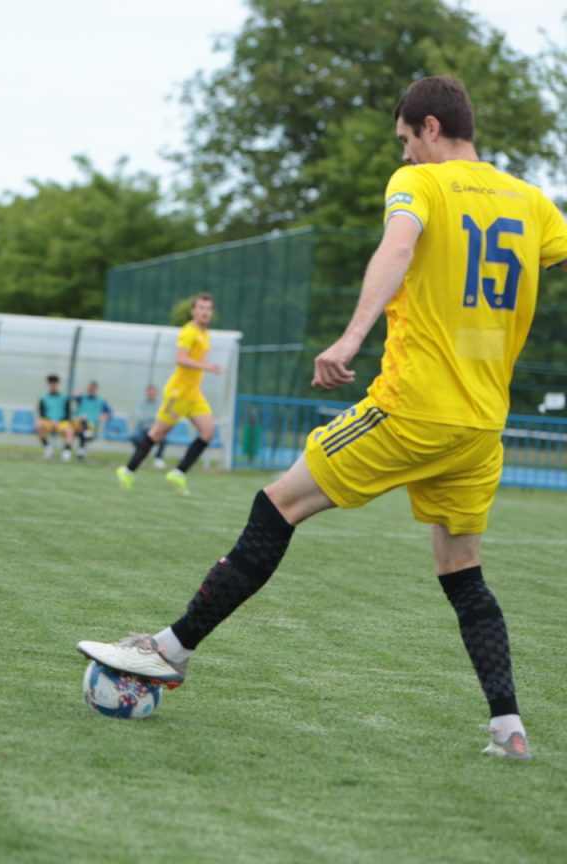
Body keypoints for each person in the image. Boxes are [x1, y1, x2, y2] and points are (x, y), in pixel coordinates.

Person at [79, 75, 567, 761]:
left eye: (405, 139)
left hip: (411, 408)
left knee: (278, 504)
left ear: (430, 127)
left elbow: (398, 248)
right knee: (463, 570)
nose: (403, 154)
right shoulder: (533, 202)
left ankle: (171, 649)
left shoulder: (421, 184)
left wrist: (349, 338)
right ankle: (508, 728)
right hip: (482, 426)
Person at [117, 294, 221, 493]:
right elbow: (180, 358)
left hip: (194, 394)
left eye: (208, 308)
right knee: (157, 433)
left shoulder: (205, 334)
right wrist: (207, 366)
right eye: (201, 308)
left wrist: (205, 367)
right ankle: (128, 470)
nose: (205, 312)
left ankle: (178, 473)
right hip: (178, 393)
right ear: (193, 311)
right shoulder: (189, 332)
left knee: (208, 433)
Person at [34, 374, 80, 462]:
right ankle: (48, 448)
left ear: (58, 384)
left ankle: (66, 453)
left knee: (69, 431)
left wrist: (59, 421)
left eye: (54, 383)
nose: (53, 385)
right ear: (48, 384)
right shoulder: (43, 398)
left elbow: (68, 413)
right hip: (48, 421)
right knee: (38, 425)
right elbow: (42, 413)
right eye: (51, 383)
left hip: (62, 421)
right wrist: (51, 420)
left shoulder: (64, 398)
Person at [70, 380, 114, 461]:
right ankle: (87, 437)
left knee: (84, 426)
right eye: (89, 389)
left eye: (93, 389)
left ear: (96, 389)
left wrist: (104, 416)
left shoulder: (101, 400)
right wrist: (83, 389)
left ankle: (81, 450)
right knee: (82, 420)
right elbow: (73, 397)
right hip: (77, 423)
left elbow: (109, 412)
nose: (91, 391)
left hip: (91, 425)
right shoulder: (82, 398)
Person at [133, 384, 169, 468]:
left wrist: (148, 416)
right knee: (136, 437)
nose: (151, 394)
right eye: (150, 392)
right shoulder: (141, 403)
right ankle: (141, 457)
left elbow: (162, 417)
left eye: (153, 392)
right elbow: (139, 417)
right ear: (147, 393)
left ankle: (158, 459)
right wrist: (153, 416)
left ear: (156, 393)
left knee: (164, 439)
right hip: (143, 429)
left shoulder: (161, 404)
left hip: (156, 429)